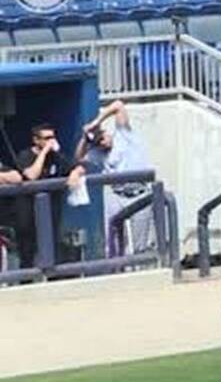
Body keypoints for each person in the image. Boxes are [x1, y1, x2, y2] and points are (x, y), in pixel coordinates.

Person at [75, 100, 153, 257]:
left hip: (139, 191)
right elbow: (79, 157)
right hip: (117, 195)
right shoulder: (99, 153)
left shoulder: (123, 135)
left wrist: (96, 122)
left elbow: (118, 105)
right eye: (98, 142)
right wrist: (85, 138)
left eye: (102, 138)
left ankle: (142, 268)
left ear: (106, 133)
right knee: (113, 237)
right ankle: (117, 267)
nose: (103, 143)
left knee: (141, 244)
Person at [11, 124, 87, 269]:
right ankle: (26, 278)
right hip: (28, 212)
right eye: (46, 138)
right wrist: (44, 152)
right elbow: (31, 175)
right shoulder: (25, 155)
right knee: (27, 250)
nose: (51, 141)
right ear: (36, 140)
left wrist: (75, 172)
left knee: (52, 246)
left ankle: (53, 276)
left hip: (51, 210)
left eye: (52, 137)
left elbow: (78, 166)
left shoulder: (56, 156)